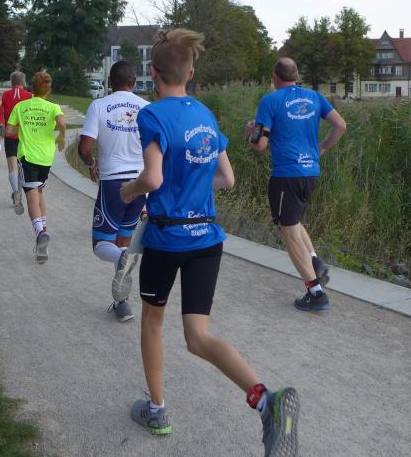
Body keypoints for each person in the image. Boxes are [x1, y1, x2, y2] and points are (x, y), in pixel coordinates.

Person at [119, 29, 300, 456]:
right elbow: (227, 178)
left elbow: (153, 178)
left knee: (152, 322)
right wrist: (193, 191)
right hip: (207, 237)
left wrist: (128, 192)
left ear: (152, 73)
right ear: (191, 73)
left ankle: (157, 410)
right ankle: (266, 400)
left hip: (166, 239)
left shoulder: (152, 115)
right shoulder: (205, 114)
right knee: (198, 336)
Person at [246, 57, 346, 312]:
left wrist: (251, 133)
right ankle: (314, 261)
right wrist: (322, 148)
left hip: (286, 174)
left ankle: (316, 293)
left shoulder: (270, 100)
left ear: (275, 77)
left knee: (288, 232)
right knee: (294, 221)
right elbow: (340, 125)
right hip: (310, 171)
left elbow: (260, 145)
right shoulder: (315, 97)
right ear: (297, 76)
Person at [78, 61, 148, 322]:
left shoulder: (99, 105)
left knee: (101, 247)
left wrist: (91, 164)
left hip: (113, 184)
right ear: (134, 82)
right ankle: (122, 303)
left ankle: (121, 270)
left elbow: (85, 148)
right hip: (140, 183)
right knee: (123, 243)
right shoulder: (147, 108)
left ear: (110, 81)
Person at [6, 71, 66, 264]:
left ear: (32, 87)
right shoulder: (53, 107)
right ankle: (44, 233)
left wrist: (21, 127)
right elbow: (62, 122)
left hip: (28, 156)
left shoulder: (20, 106)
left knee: (31, 195)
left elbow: (8, 130)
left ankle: (40, 233)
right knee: (39, 192)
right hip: (46, 159)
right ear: (48, 90)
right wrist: (62, 136)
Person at [0, 71, 32, 214]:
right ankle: (21, 195)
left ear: (11, 82)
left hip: (10, 135)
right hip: (25, 137)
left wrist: (0, 125)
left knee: (12, 168)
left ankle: (16, 192)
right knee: (22, 167)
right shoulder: (30, 96)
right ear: (23, 82)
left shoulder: (4, 95)